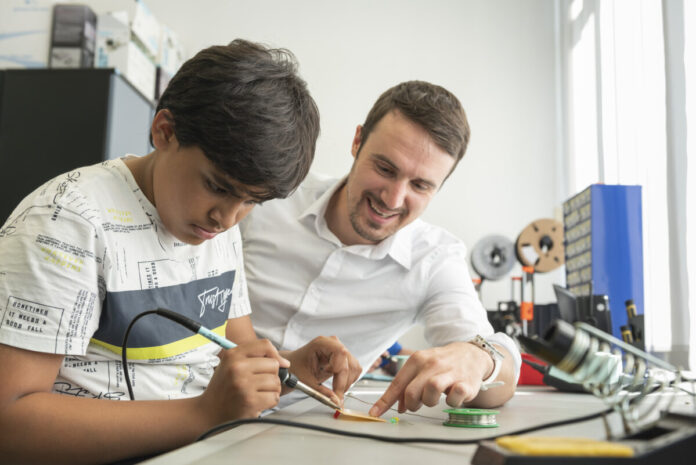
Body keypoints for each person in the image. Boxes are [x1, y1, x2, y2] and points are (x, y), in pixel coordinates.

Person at [0, 39, 358, 464]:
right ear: (164, 131)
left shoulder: (212, 223)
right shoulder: (66, 223)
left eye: (251, 202)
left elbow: (236, 347)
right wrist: (202, 414)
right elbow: (10, 420)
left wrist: (289, 371)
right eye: (218, 186)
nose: (227, 218)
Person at [240, 80, 521, 418]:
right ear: (357, 141)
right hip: (193, 402)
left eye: (420, 185)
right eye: (386, 169)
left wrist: (479, 359)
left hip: (307, 436)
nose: (393, 198)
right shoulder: (271, 195)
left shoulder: (433, 259)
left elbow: (499, 375)